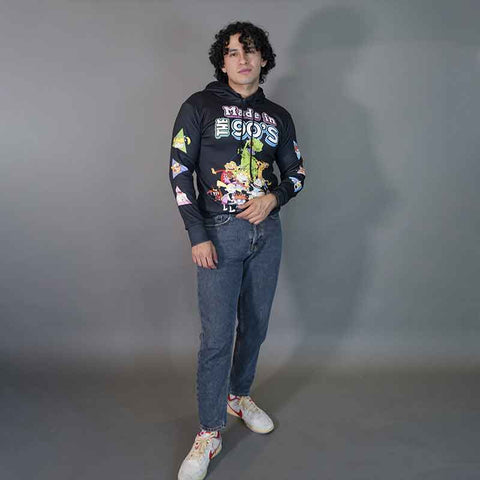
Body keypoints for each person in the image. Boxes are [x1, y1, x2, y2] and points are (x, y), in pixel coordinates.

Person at [169, 21, 306, 480]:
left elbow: (297, 172)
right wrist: (197, 234)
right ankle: (209, 432)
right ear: (222, 61)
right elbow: (179, 171)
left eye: (250, 51)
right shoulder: (199, 106)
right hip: (218, 232)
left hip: (267, 234)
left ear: (264, 59)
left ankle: (238, 395)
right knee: (216, 337)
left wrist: (274, 198)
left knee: (256, 325)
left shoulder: (278, 116)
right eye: (232, 52)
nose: (242, 59)